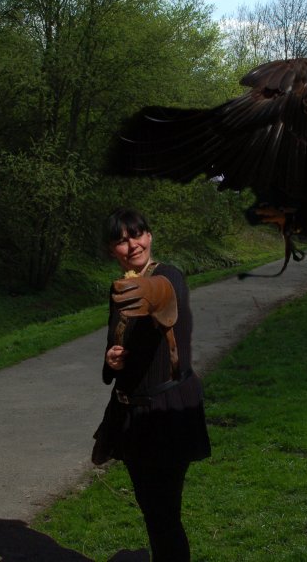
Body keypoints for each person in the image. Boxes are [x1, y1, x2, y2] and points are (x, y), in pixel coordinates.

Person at [92, 208, 211, 562]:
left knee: (164, 516)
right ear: (112, 250)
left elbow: (162, 294)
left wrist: (149, 290)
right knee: (153, 513)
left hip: (167, 414)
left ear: (150, 235)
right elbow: (115, 345)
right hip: (132, 416)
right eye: (121, 240)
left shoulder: (169, 276)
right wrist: (111, 360)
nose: (132, 245)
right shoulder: (119, 289)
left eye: (138, 234)